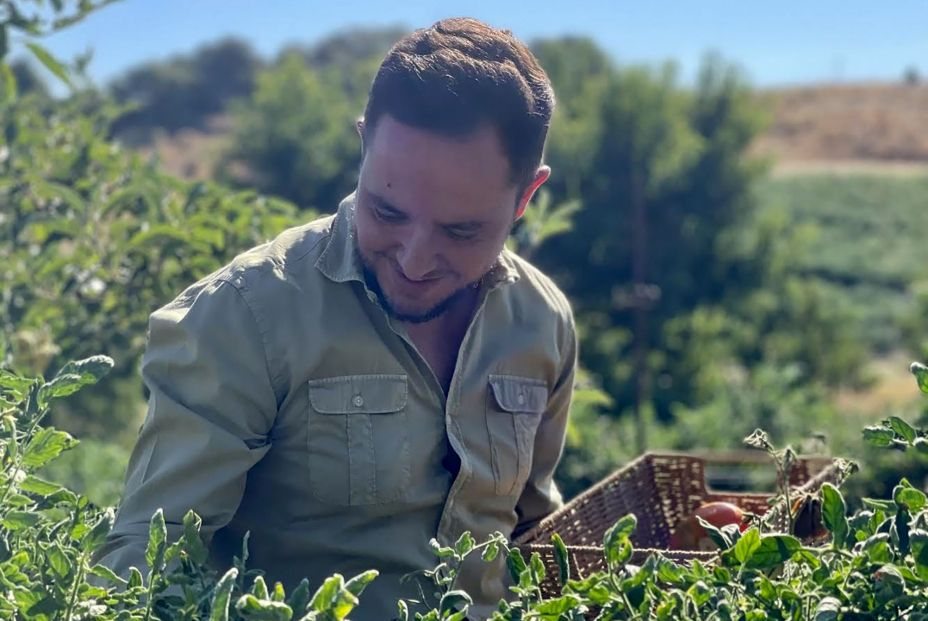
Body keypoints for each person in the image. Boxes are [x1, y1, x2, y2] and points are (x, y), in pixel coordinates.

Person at [95, 17, 577, 621]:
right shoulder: (246, 313)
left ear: (526, 197)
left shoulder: (541, 319)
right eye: (387, 211)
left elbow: (534, 533)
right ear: (363, 146)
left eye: (461, 231)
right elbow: (149, 559)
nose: (415, 259)